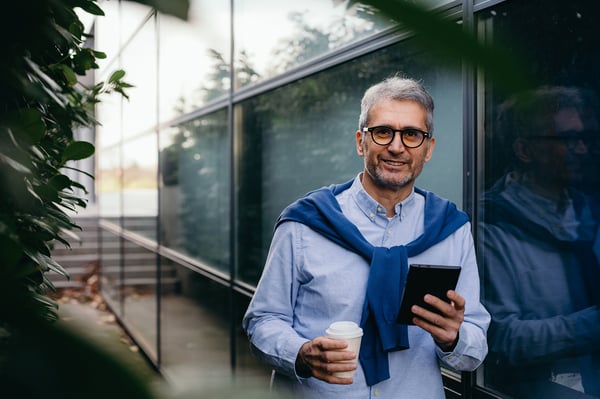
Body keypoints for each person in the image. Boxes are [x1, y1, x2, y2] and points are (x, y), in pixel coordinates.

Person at [242, 76, 490, 399]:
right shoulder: (304, 223)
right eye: (383, 132)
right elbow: (263, 320)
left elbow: (475, 345)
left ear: (428, 149)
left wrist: (452, 339)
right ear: (361, 142)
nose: (397, 146)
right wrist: (300, 353)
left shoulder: (451, 230)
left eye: (412, 134)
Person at [479, 86, 600, 398]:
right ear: (525, 150)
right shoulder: (491, 227)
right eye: (568, 139)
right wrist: (591, 325)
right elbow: (500, 338)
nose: (584, 150)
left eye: (586, 138)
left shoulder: (590, 212)